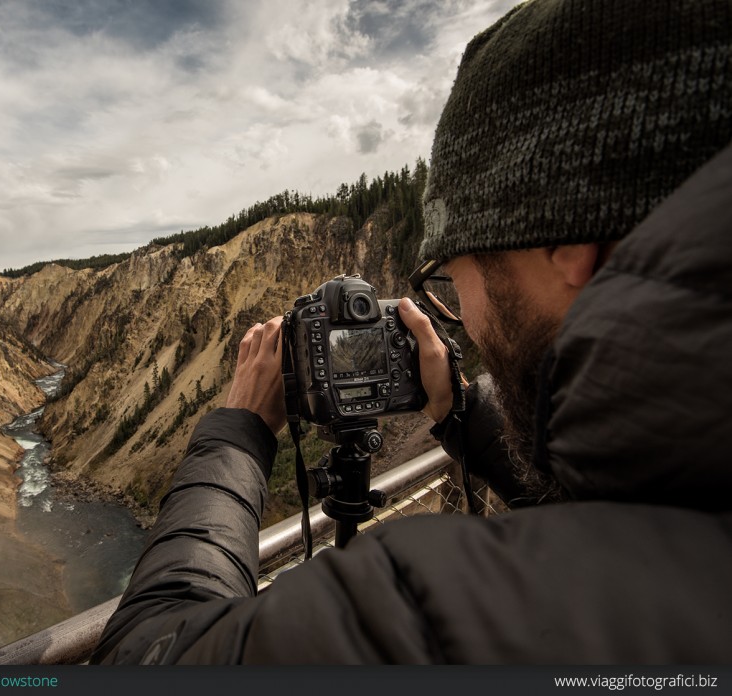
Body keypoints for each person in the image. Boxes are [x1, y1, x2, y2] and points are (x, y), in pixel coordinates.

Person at [94, 0, 732, 664]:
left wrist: (238, 430)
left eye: (455, 279)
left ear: (567, 245)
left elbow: (146, 654)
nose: (466, 322)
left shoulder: (437, 610)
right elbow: (614, 527)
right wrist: (460, 411)